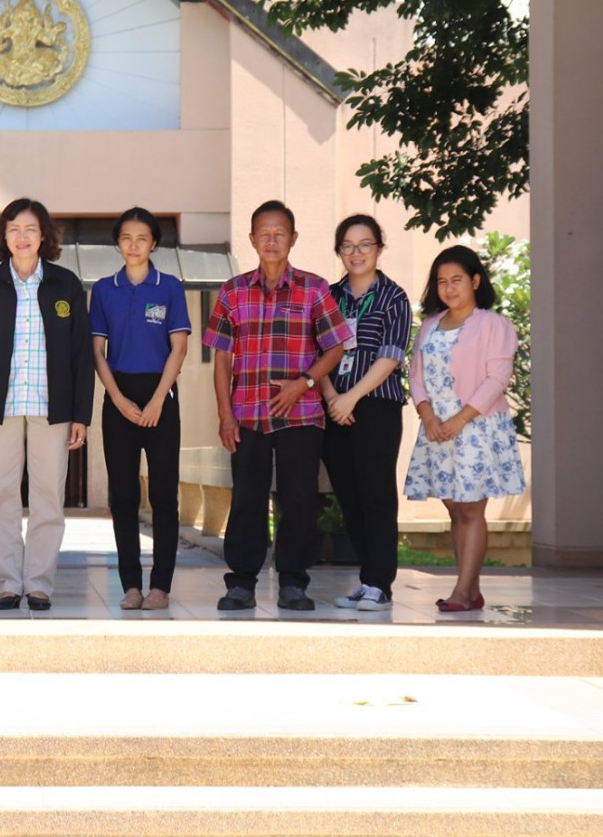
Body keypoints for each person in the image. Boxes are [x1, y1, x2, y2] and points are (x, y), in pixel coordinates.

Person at [203, 200, 352, 611]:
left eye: (279, 233)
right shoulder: (232, 291)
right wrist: (225, 415)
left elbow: (336, 346)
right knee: (247, 500)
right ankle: (241, 583)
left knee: (299, 500)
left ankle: (293, 583)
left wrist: (304, 384)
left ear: (293, 238)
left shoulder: (314, 288)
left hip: (300, 415)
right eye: (264, 234)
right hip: (246, 415)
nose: (271, 241)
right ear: (252, 240)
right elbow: (221, 357)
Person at [0, 199, 93, 612]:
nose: (22, 237)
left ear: (44, 235)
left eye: (30, 229)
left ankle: (38, 584)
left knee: (49, 496)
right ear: (3, 235)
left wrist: (81, 415)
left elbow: (81, 355)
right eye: (14, 228)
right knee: (0, 497)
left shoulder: (66, 284)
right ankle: (7, 584)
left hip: (53, 408)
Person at [404, 244, 527, 613]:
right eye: (442, 281)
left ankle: (462, 592)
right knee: (455, 509)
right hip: (436, 429)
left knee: (471, 509)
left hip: (476, 426)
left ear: (475, 281)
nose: (449, 288)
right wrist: (428, 417)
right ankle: (470, 591)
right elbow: (416, 375)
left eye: (457, 280)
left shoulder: (494, 325)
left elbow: (497, 378)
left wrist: (458, 420)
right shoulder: (429, 325)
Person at [89, 207, 191, 611]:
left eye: (142, 238)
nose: (133, 245)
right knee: (123, 496)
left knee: (164, 495)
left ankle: (160, 587)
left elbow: (179, 348)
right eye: (126, 238)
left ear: (154, 244)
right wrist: (117, 398)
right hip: (119, 395)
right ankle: (131, 585)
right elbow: (97, 351)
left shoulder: (170, 287)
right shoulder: (104, 289)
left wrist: (157, 400)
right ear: (118, 243)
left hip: (160, 394)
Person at [319, 215, 414, 614]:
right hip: (334, 406)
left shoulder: (394, 297)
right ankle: (367, 579)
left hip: (376, 406)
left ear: (379, 247)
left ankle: (380, 584)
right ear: (339, 251)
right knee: (349, 496)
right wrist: (332, 398)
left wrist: (352, 398)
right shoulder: (328, 296)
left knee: (376, 495)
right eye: (348, 246)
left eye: (365, 244)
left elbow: (391, 356)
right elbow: (316, 351)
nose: (356, 253)